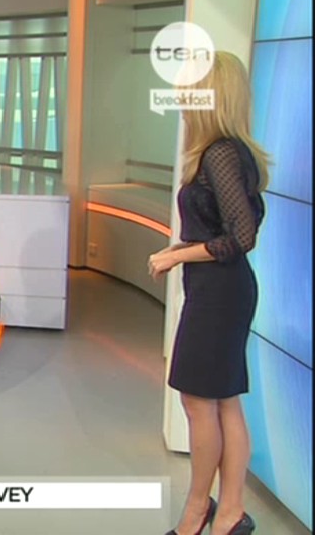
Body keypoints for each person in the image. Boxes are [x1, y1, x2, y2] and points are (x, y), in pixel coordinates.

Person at [148, 51, 268, 535]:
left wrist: (178, 257)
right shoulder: (227, 151)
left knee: (200, 403)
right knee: (222, 402)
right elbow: (220, 228)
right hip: (220, 289)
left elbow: (241, 237)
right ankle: (230, 513)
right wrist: (181, 248)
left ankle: (199, 512)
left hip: (221, 293)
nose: (182, 100)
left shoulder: (221, 152)